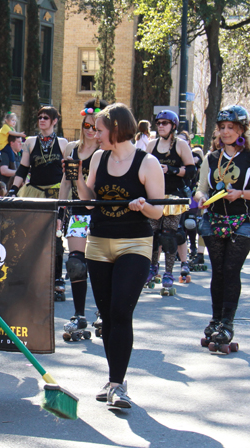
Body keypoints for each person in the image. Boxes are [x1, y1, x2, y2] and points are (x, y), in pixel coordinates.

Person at [72, 103, 164, 408]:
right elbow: (88, 203)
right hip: (99, 241)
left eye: (99, 130)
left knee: (122, 312)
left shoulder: (147, 163)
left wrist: (142, 204)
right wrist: (77, 178)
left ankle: (117, 385)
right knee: (107, 315)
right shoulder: (99, 157)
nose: (94, 135)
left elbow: (158, 211)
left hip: (135, 243)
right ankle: (115, 378)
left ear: (116, 129)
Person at [194, 105, 250, 351]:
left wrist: (241, 194)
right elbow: (201, 187)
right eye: (222, 128)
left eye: (231, 128)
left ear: (241, 131)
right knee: (218, 271)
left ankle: (228, 322)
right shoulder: (211, 157)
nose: (226, 132)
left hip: (243, 221)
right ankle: (216, 319)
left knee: (231, 269)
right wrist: (198, 198)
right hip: (214, 219)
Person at [9, 105, 69, 299]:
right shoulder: (30, 143)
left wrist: (67, 196)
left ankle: (57, 281)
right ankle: (32, 279)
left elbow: (68, 173)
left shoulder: (62, 143)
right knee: (31, 236)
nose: (42, 120)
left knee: (56, 236)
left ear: (54, 121)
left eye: (46, 117)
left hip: (55, 194)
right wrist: (13, 190)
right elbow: (23, 169)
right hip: (34, 192)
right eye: (39, 117)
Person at [57, 107, 102, 340]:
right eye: (87, 126)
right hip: (77, 210)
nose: (92, 130)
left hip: (101, 211)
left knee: (99, 263)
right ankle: (78, 314)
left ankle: (103, 311)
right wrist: (59, 210)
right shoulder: (71, 149)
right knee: (75, 262)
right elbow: (66, 181)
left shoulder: (105, 149)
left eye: (96, 126)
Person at [147, 110, 196, 293]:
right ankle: (152, 267)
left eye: (165, 123)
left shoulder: (181, 145)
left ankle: (168, 272)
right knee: (152, 234)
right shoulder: (151, 145)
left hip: (174, 195)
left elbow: (191, 172)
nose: (160, 126)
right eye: (158, 123)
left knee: (168, 235)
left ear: (173, 126)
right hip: (155, 196)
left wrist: (171, 170)